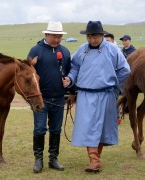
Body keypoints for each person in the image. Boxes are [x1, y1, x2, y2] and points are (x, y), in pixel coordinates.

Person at [63, 21, 131, 173]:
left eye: (95, 36)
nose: (92, 39)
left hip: (106, 94)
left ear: (101, 35)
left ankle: (96, 158)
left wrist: (114, 85)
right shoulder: (82, 50)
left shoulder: (112, 49)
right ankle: (94, 160)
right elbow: (74, 67)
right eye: (89, 36)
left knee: (102, 127)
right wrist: (71, 78)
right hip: (86, 94)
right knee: (88, 126)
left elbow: (125, 70)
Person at [27, 22, 75, 173]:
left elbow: (70, 71)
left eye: (59, 36)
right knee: (40, 129)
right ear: (46, 35)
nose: (57, 39)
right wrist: (30, 65)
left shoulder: (65, 52)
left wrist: (70, 83)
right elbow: (27, 74)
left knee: (56, 129)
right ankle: (38, 160)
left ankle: (53, 159)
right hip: (41, 99)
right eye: (54, 36)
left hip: (59, 98)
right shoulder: (36, 50)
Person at [104, 33, 122, 125]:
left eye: (108, 41)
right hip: (104, 83)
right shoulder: (102, 52)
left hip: (114, 83)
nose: (105, 43)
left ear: (112, 41)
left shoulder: (116, 52)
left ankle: (117, 118)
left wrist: (116, 82)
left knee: (114, 100)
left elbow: (123, 70)